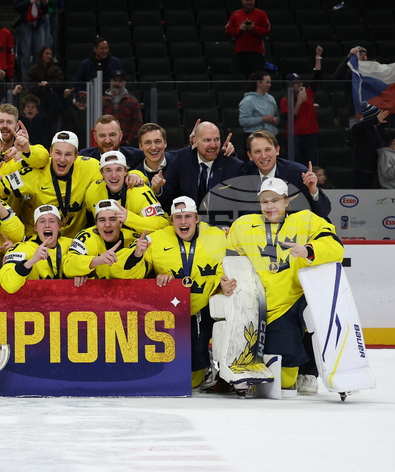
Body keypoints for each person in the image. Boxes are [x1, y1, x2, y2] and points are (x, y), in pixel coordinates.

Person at [228, 178, 344, 392]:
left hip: (289, 302)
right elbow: (227, 260)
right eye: (264, 202)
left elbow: (335, 246)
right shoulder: (243, 225)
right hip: (256, 305)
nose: (269, 206)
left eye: (275, 200)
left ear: (287, 201)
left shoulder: (307, 220)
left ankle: (306, 371)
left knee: (285, 382)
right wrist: (222, 280)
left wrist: (309, 250)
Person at [112, 196, 235, 389]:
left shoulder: (217, 236)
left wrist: (222, 281)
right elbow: (126, 274)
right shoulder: (156, 239)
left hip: (202, 308)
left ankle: (215, 363)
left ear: (197, 219)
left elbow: (224, 267)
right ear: (171, 221)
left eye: (188, 216)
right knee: (180, 380)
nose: (183, 222)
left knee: (193, 381)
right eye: (178, 217)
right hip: (169, 312)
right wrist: (138, 257)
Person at [242, 130, 332, 220]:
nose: (263, 156)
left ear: (277, 150)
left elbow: (323, 212)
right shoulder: (247, 173)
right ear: (250, 155)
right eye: (257, 152)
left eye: (267, 150)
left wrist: (313, 191)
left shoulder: (299, 173)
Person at [160, 122, 244, 207]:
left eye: (216, 139)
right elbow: (166, 194)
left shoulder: (234, 166)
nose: (213, 145)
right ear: (195, 142)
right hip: (188, 219)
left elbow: (244, 205)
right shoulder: (182, 158)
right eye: (207, 140)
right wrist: (157, 189)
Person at [0, 204, 77, 292]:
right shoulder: (22, 248)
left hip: (68, 302)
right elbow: (8, 285)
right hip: (33, 303)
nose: (47, 225)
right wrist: (31, 261)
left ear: (59, 227)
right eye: (42, 221)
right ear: (35, 227)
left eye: (52, 221)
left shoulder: (72, 245)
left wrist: (83, 275)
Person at [86, 150, 168, 233]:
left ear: (126, 172)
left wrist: (129, 218)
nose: (114, 175)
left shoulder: (140, 192)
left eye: (118, 170)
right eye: (108, 170)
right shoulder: (93, 190)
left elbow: (162, 224)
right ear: (101, 173)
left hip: (139, 241)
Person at [63, 199, 140, 281]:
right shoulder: (87, 236)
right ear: (96, 224)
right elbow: (67, 265)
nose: (107, 225)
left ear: (121, 223)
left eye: (112, 219)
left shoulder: (134, 239)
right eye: (102, 220)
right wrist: (95, 261)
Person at [279, 48, 323, 167]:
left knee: (311, 163)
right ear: (290, 85)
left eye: (301, 82)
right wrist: (298, 103)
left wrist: (318, 57)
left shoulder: (308, 94)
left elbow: (317, 77)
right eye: (296, 83)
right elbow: (289, 119)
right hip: (295, 136)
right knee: (295, 164)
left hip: (310, 135)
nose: (300, 85)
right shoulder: (285, 101)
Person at [13, 0, 54, 83]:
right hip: (26, 24)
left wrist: (45, 3)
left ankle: (36, 82)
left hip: (39, 24)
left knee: (39, 54)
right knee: (25, 55)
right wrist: (29, 2)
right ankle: (25, 82)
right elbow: (16, 6)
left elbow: (45, 11)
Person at [226, 0, 270, 79]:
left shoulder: (261, 14)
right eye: (247, 0)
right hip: (240, 52)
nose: (249, 2)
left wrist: (253, 28)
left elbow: (267, 30)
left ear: (254, 1)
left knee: (258, 79)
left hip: (257, 52)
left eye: (251, 0)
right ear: (242, 1)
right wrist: (239, 29)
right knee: (238, 77)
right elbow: (228, 32)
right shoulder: (235, 14)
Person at [101, 70, 142, 143]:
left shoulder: (132, 101)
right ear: (110, 81)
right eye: (115, 80)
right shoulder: (102, 100)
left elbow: (137, 123)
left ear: (125, 83)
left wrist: (128, 141)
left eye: (120, 81)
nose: (117, 83)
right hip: (106, 141)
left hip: (126, 143)